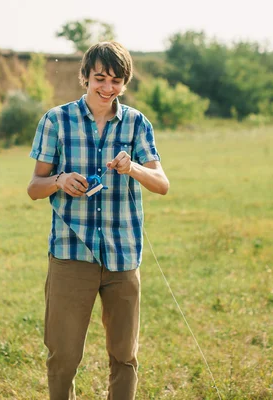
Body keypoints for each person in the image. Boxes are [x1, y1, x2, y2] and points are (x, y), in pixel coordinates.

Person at [27, 41, 170, 400]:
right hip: (71, 255)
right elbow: (34, 187)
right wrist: (59, 180)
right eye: (100, 78)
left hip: (123, 257)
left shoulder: (138, 124)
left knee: (125, 357)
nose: (108, 88)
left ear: (125, 82)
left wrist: (133, 167)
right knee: (63, 357)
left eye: (116, 80)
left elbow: (162, 184)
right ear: (84, 77)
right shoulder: (56, 121)